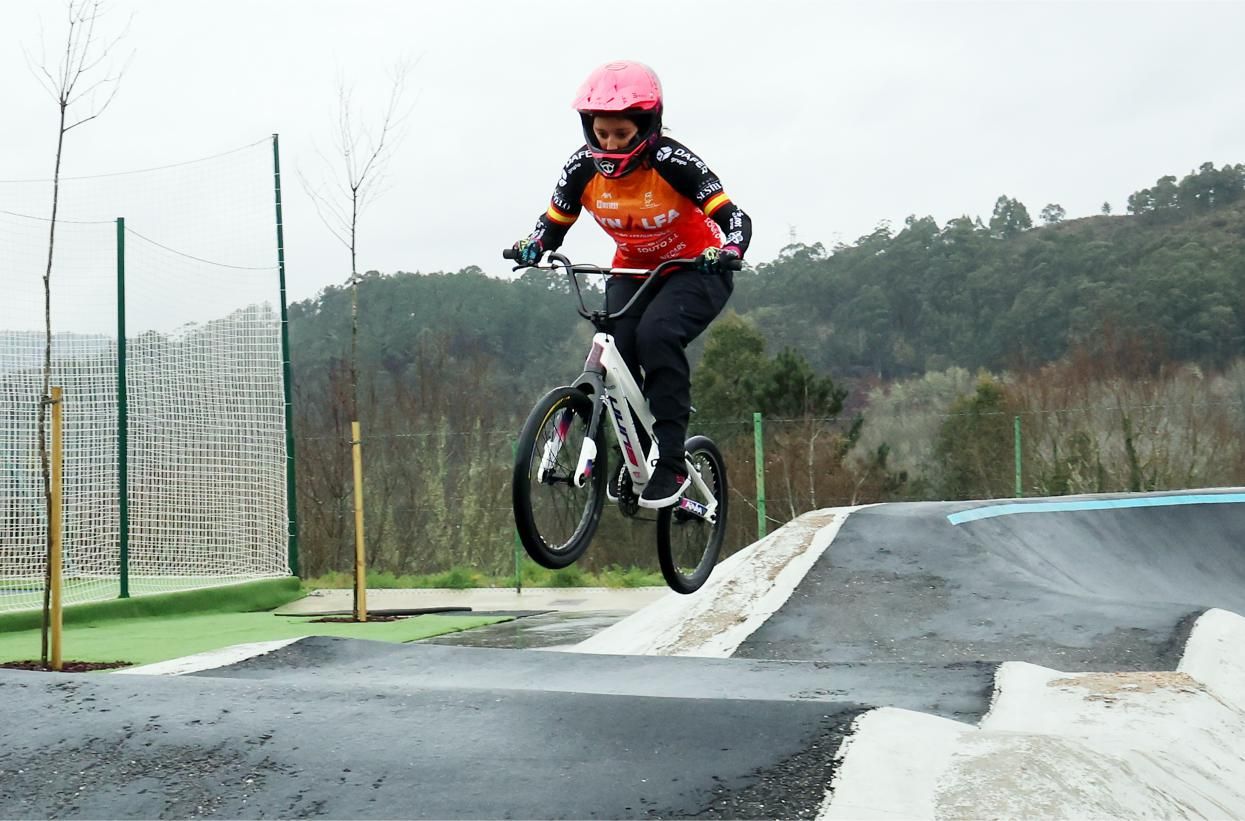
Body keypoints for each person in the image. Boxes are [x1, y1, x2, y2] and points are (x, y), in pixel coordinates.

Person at [511, 60, 752, 509]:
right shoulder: (582, 168)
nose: (610, 143)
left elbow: (734, 217)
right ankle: (636, 454)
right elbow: (554, 224)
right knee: (616, 345)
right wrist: (534, 244)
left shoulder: (674, 162)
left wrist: (732, 249)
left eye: (621, 134)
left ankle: (674, 460)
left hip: (696, 268)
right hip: (634, 268)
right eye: (601, 133)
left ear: (646, 127)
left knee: (656, 336)